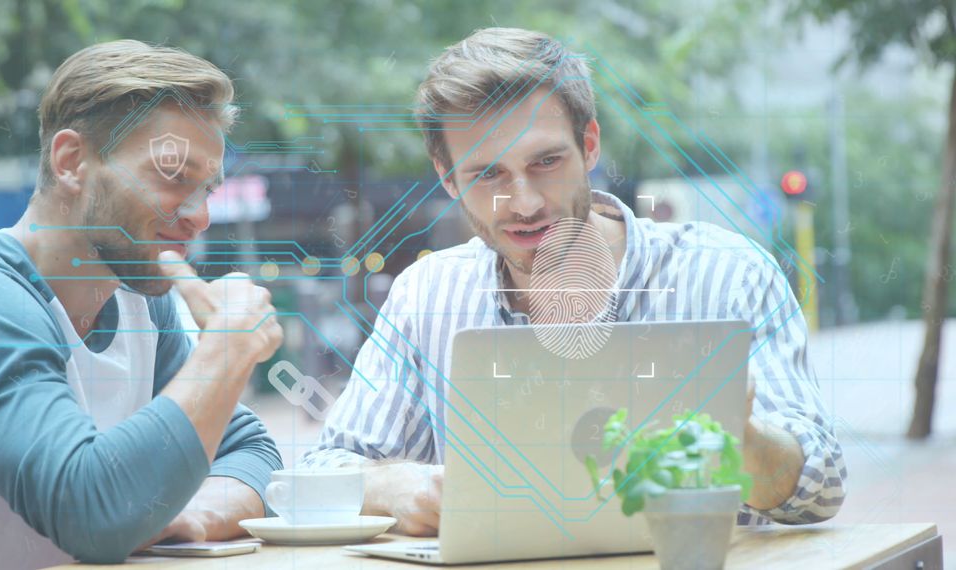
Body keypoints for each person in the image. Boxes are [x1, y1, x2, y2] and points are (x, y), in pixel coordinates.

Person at [302, 27, 846, 536]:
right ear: (447, 177)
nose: (525, 203)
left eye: (546, 161)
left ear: (589, 146)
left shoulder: (727, 273)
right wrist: (394, 486)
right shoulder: (427, 296)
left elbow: (820, 491)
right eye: (487, 173)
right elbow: (322, 471)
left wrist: (745, 440)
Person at [0, 40, 284, 568]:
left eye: (206, 188)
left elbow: (250, 451)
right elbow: (90, 515)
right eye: (174, 177)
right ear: (71, 162)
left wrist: (193, 516)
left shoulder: (139, 300)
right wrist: (226, 350)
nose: (199, 215)